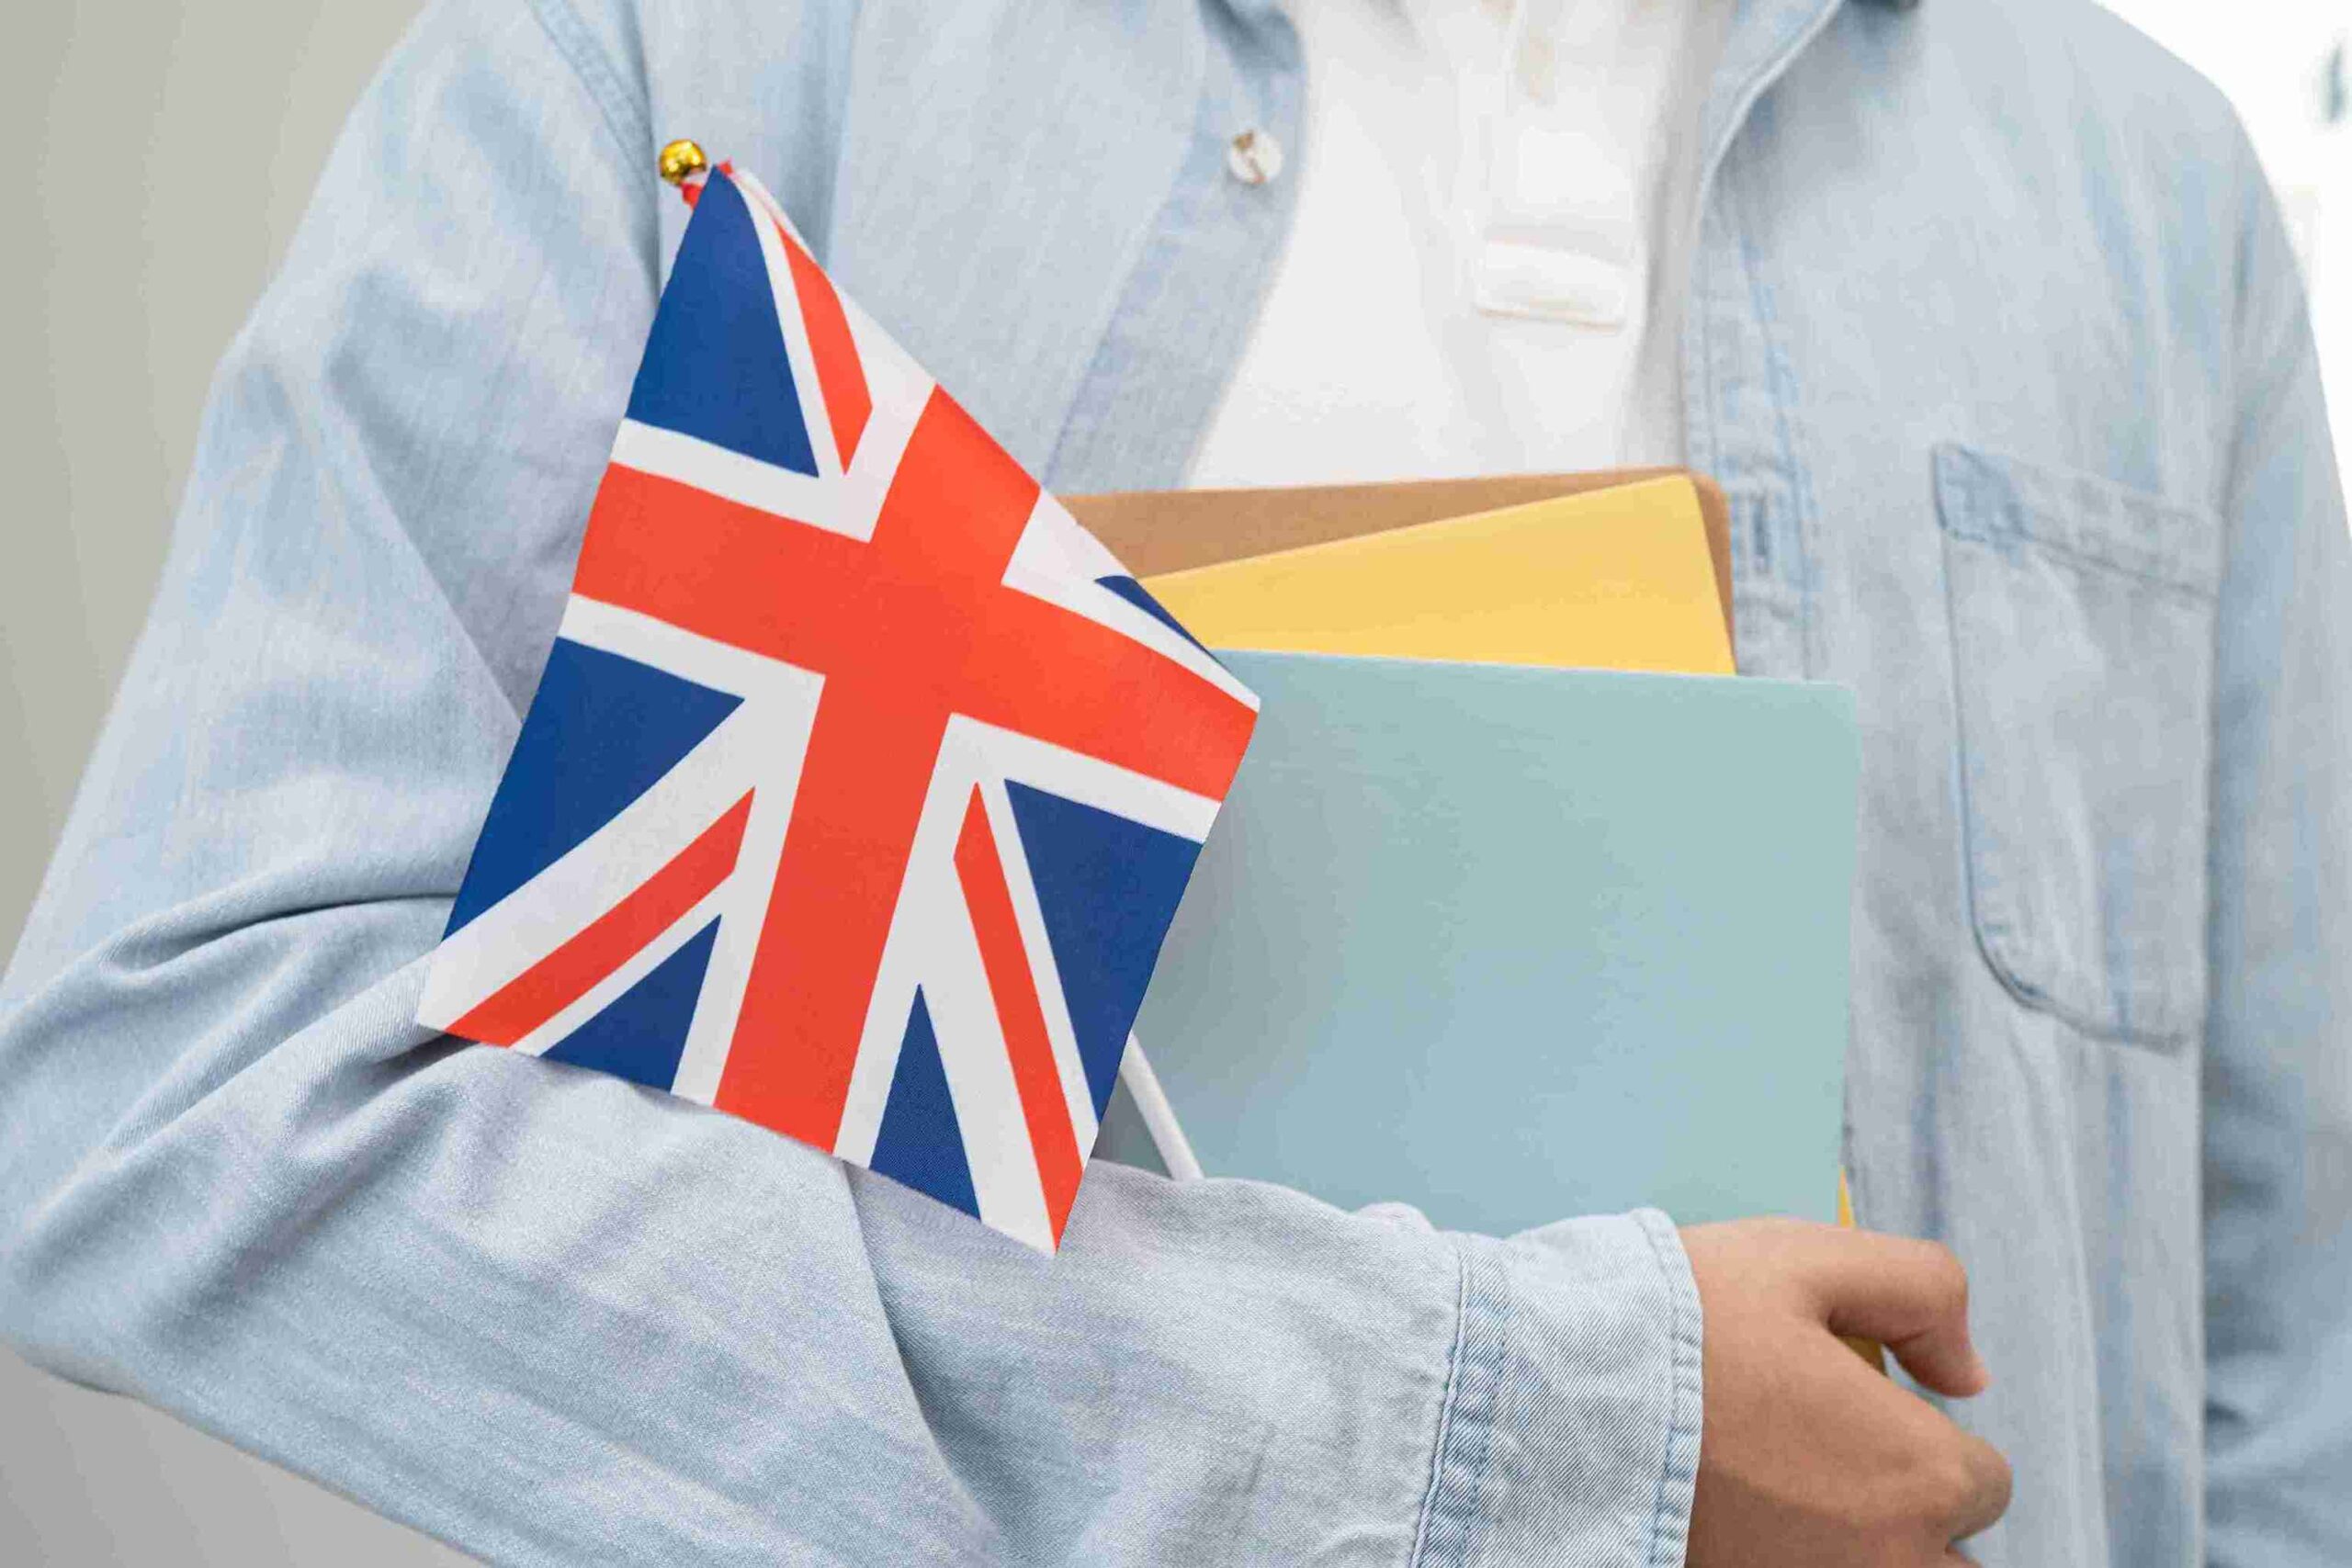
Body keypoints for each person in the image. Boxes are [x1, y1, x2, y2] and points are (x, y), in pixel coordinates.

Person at [0, 0, 2342, 1562]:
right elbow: (175, 1093)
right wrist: (1541, 1421)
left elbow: (2290, 1320)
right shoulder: (689, 39)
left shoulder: (2144, 186)